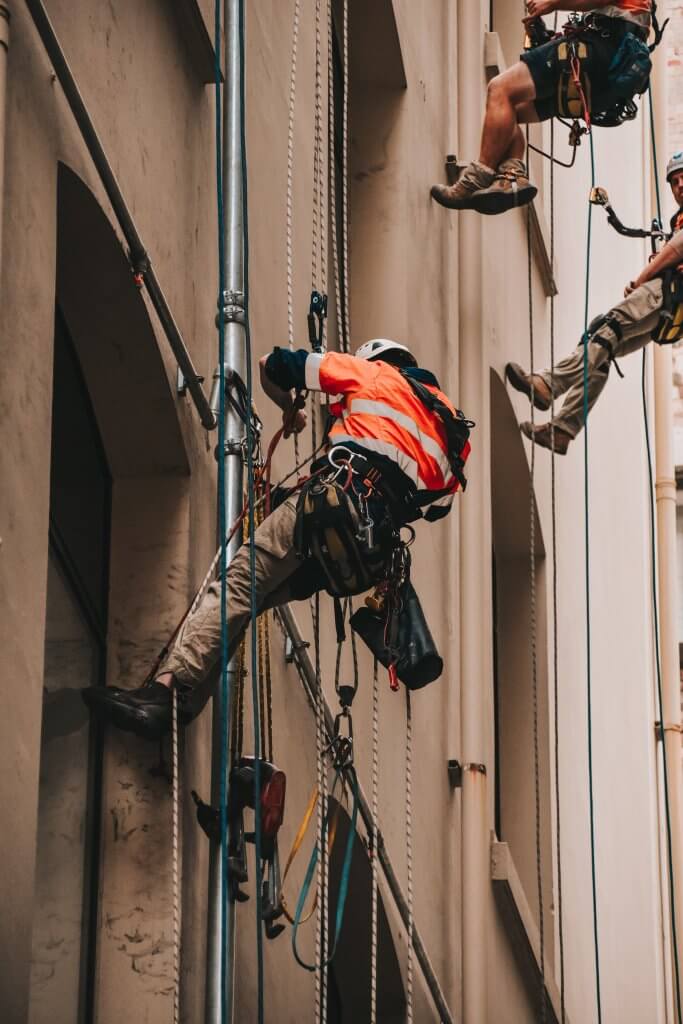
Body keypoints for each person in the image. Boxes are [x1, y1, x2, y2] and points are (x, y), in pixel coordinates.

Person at [82, 339, 472, 738]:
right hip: (364, 552)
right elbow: (429, 498)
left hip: (331, 509)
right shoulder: (450, 430)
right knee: (253, 599)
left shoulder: (371, 374)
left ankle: (163, 694)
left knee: (238, 585)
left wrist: (291, 410)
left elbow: (273, 364)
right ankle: (181, 706)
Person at [505, 153, 683, 453]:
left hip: (667, 292)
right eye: (674, 182)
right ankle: (563, 429)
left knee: (607, 326)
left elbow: (677, 248)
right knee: (602, 346)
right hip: (670, 309)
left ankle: (549, 384)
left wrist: (641, 279)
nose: (679, 185)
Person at [430, 0, 652, 215]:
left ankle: (475, 179)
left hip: (600, 49)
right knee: (511, 112)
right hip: (607, 73)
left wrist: (553, 3)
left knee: (500, 89)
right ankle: (511, 176)